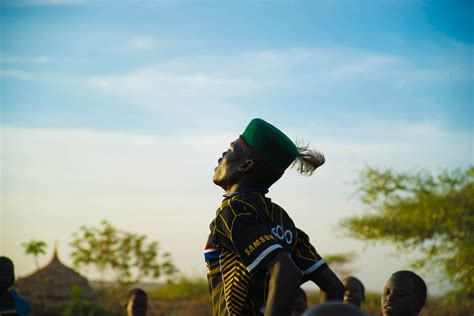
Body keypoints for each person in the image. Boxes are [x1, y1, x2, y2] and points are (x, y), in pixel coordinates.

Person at [204, 118, 344, 316]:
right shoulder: (281, 219)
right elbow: (334, 287)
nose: (222, 155)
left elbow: (286, 271)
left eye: (230, 150)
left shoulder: (233, 211)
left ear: (245, 165)